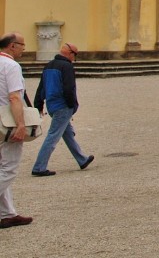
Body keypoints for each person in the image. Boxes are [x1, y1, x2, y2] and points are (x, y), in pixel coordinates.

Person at [31, 43, 94, 176]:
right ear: (70, 53)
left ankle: (82, 159)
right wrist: (72, 105)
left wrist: (39, 105)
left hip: (52, 105)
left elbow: (41, 88)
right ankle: (39, 167)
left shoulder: (48, 65)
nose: (74, 58)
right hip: (63, 105)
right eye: (75, 55)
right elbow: (69, 88)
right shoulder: (67, 66)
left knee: (67, 133)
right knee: (53, 136)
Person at [0, 32, 32, 228]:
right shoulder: (11, 66)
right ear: (12, 46)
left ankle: (7, 213)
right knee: (9, 167)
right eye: (22, 45)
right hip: (6, 121)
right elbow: (14, 97)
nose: (23, 49)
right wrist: (21, 124)